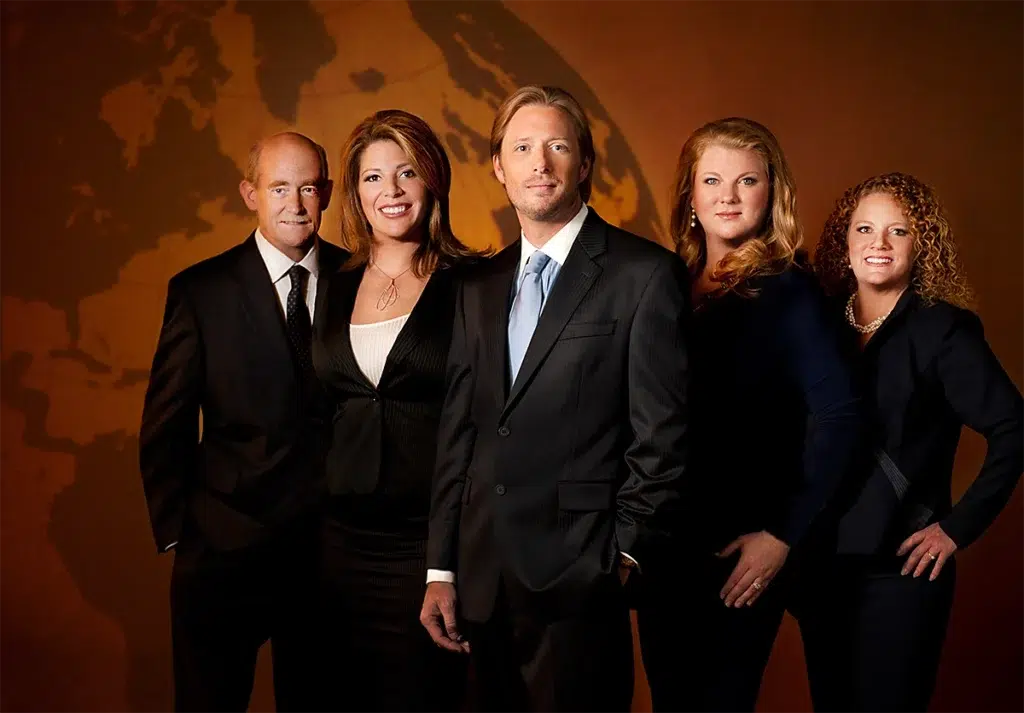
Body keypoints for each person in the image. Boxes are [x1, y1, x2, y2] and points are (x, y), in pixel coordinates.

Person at [419, 84, 690, 713]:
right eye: (522, 148)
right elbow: (459, 430)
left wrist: (619, 557)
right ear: (499, 168)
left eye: (557, 146)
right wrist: (441, 568)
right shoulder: (477, 286)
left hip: (580, 583)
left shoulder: (643, 275)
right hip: (481, 586)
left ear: (584, 164)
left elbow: (665, 437)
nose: (539, 163)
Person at [635, 117, 861, 713]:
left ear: (773, 193)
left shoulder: (789, 292)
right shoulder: (666, 284)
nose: (728, 196)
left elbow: (840, 418)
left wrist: (784, 535)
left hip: (741, 550)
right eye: (711, 180)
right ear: (689, 195)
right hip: (666, 546)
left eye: (746, 181)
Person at [802, 172, 1024, 713]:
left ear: (920, 245)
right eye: (865, 229)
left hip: (898, 573)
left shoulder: (942, 330)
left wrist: (955, 529)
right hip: (817, 567)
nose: (878, 244)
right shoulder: (817, 321)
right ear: (844, 241)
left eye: (897, 231)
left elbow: (1014, 428)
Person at [139, 132, 344, 713]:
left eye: (308, 187)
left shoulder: (362, 282)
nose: (296, 204)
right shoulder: (202, 291)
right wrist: (184, 533)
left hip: (328, 556)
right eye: (279, 188)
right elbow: (166, 424)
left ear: (326, 192)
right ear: (250, 193)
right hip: (224, 552)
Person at [312, 109, 485, 712]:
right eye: (372, 178)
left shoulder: (474, 283)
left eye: (406, 172)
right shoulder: (332, 282)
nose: (390, 192)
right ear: (356, 194)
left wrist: (448, 565)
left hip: (426, 551)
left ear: (432, 180)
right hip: (335, 547)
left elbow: (483, 423)